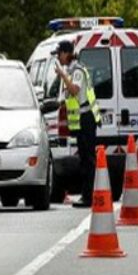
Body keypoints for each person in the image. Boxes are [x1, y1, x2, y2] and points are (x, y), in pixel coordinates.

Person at [54, 41, 101, 208]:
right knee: (84, 159)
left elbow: (74, 90)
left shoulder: (78, 70)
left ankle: (89, 197)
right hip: (83, 120)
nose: (58, 57)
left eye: (59, 54)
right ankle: (87, 194)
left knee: (88, 159)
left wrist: (62, 74)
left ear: (66, 53)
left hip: (87, 118)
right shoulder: (73, 70)